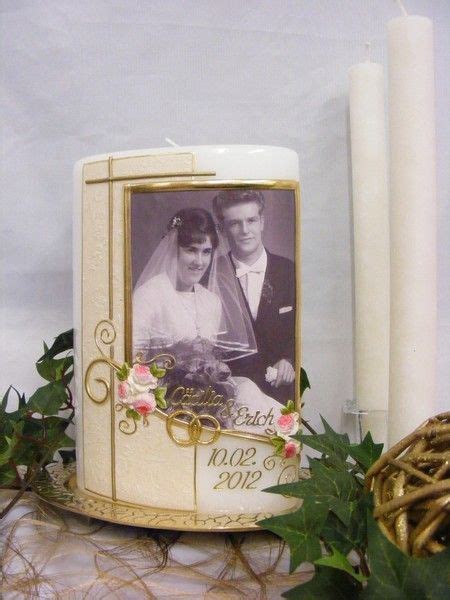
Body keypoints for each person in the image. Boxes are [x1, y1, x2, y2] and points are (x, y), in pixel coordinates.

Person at [132, 206, 282, 434]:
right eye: (191, 250)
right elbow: (134, 361)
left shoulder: (211, 301)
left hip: (207, 397)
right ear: (173, 248)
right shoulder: (150, 295)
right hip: (164, 400)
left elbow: (210, 357)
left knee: (253, 396)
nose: (199, 261)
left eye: (206, 252)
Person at [213, 189, 296, 404]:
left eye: (251, 220)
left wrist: (290, 360)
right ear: (222, 229)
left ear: (262, 222)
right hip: (229, 399)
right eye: (235, 223)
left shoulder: (290, 271)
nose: (245, 230)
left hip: (282, 396)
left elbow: (306, 332)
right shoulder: (211, 275)